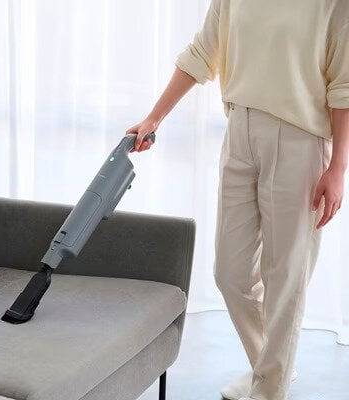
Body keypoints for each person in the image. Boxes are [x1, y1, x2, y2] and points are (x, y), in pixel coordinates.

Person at [127, 1, 349, 400]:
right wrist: (154, 117)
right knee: (230, 274)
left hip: (300, 140)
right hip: (240, 132)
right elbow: (202, 52)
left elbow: (344, 85)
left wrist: (338, 169)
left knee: (285, 276)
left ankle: (270, 387)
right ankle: (272, 368)